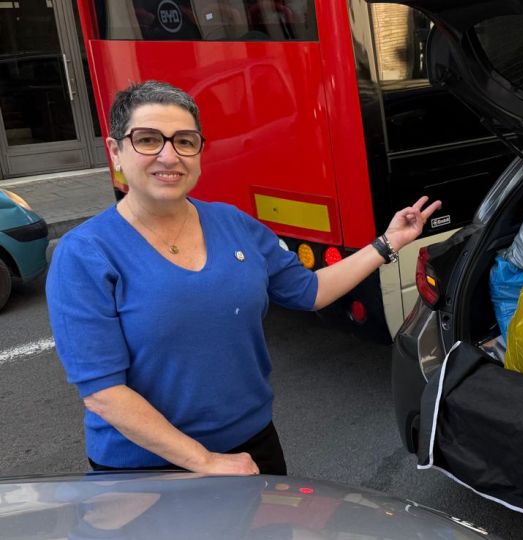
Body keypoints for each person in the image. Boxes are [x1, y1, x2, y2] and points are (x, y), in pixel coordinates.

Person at [46, 80, 440, 476]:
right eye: (148, 140)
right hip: (143, 467)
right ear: (115, 151)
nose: (169, 156)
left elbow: (310, 291)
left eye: (185, 141)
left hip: (252, 445)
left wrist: (388, 243)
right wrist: (204, 461)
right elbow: (103, 393)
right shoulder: (84, 253)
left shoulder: (232, 223)